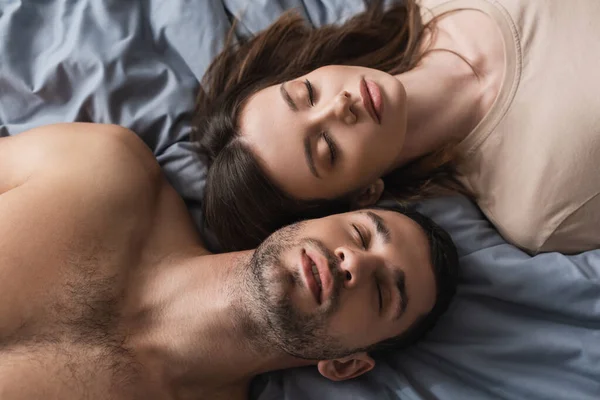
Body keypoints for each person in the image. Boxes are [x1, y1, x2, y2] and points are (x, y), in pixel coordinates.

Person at [0, 123, 458, 400]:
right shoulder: (101, 171)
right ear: (318, 217)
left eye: (382, 292)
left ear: (346, 365)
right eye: (359, 233)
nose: (352, 261)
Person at [194, 0, 600, 254]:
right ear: (363, 194)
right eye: (328, 149)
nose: (340, 106)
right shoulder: (539, 207)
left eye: (307, 93)